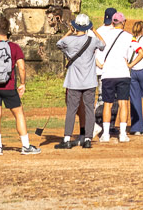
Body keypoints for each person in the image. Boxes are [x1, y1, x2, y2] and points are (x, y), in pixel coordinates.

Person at [0, 17, 38, 155]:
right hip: (8, 85)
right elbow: (22, 68)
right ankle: (25, 146)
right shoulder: (14, 47)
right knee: (18, 114)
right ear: (8, 30)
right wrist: (22, 83)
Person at [56, 13, 100, 149]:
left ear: (75, 26)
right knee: (89, 110)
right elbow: (103, 44)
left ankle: (67, 138)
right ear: (88, 26)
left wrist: (70, 31)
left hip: (74, 81)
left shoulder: (69, 40)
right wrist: (94, 30)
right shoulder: (92, 41)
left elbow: (59, 43)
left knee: (71, 109)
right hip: (90, 81)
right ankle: (87, 139)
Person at [94, 10, 135, 142]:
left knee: (107, 104)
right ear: (124, 22)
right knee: (123, 103)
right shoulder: (129, 36)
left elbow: (93, 50)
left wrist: (99, 64)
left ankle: (105, 134)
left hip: (107, 73)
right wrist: (130, 64)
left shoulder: (103, 34)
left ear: (112, 22)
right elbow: (140, 52)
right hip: (123, 73)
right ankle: (123, 134)